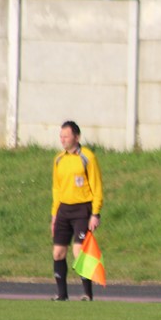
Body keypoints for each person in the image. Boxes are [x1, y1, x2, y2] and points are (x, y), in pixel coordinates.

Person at [50, 120, 103, 301]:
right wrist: (54, 215)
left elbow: (97, 186)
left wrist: (95, 213)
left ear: (77, 137)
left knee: (79, 251)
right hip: (63, 210)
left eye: (66, 136)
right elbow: (56, 188)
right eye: (61, 136)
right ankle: (62, 294)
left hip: (82, 209)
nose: (62, 139)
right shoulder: (59, 159)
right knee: (58, 252)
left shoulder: (87, 157)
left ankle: (87, 293)